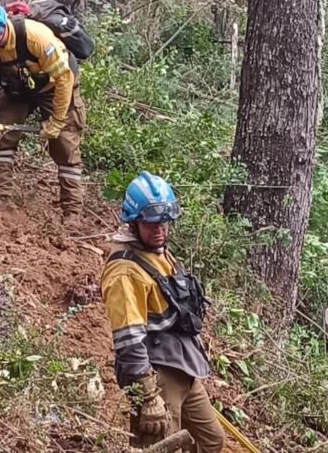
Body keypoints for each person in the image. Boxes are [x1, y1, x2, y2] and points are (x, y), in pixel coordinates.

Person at [100, 172, 224, 452]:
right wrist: (148, 395)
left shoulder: (159, 252)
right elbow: (128, 340)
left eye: (164, 223)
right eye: (151, 223)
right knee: (160, 446)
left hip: (183, 366)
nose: (160, 230)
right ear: (134, 221)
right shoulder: (124, 271)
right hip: (157, 375)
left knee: (212, 441)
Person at [0, 0, 86, 219]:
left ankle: (72, 212)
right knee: (3, 130)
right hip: (18, 88)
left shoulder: (37, 37)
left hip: (55, 85)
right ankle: (1, 194)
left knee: (64, 143)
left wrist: (57, 121)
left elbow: (64, 79)